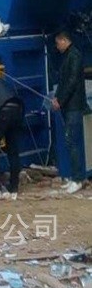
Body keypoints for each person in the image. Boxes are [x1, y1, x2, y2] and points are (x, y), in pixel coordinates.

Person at [52, 30, 87, 193]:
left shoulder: (74, 56)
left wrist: (61, 100)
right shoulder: (69, 56)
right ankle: (77, 176)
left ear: (64, 40)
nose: (56, 46)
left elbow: (71, 81)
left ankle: (78, 179)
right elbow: (64, 81)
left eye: (57, 43)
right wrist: (57, 98)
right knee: (72, 142)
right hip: (69, 105)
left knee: (72, 142)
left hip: (73, 106)